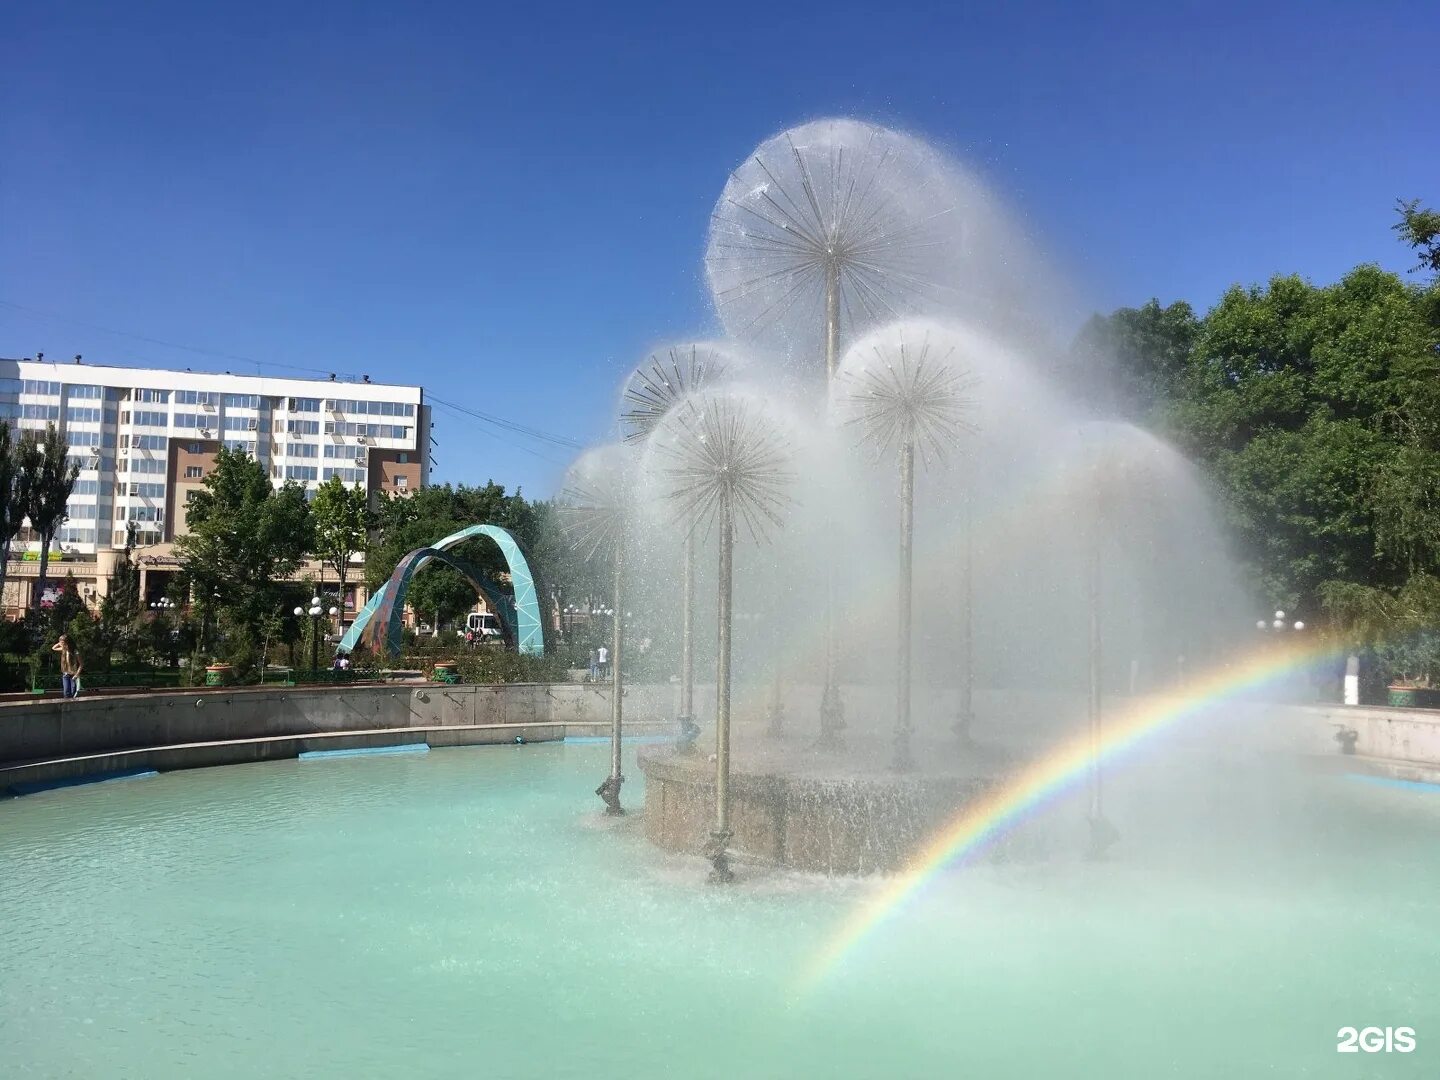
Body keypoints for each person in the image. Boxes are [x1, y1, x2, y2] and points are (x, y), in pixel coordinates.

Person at [52, 634, 82, 699]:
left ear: (67, 642)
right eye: (60, 642)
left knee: (73, 693)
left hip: (73, 675)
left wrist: (76, 675)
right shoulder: (63, 649)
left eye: (62, 642)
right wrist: (60, 642)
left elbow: (81, 664)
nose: (61, 644)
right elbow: (53, 648)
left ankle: (73, 707)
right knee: (66, 693)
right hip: (66, 674)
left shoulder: (75, 651)